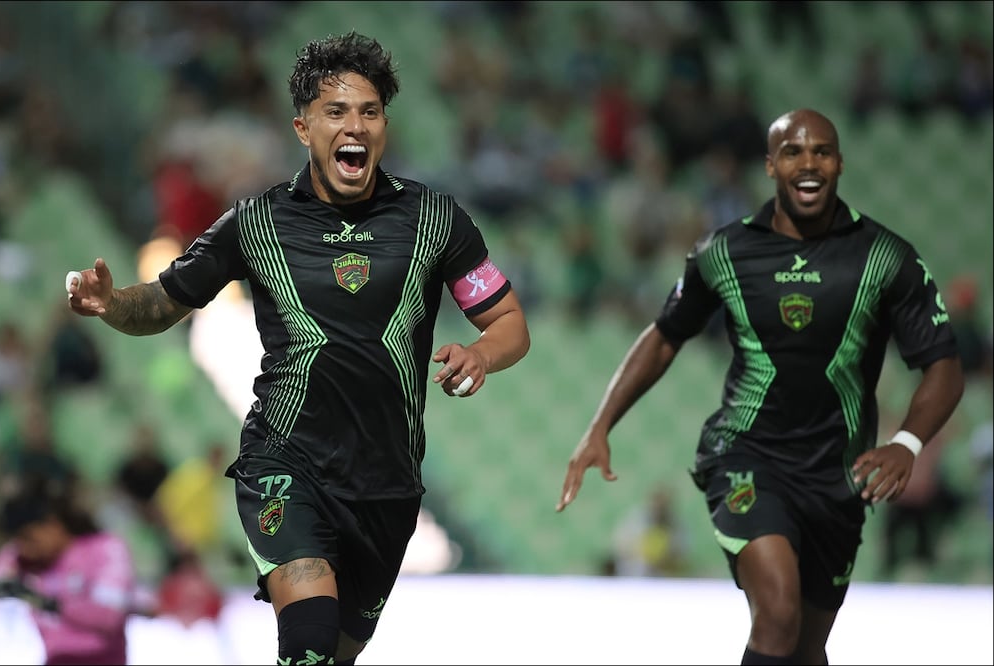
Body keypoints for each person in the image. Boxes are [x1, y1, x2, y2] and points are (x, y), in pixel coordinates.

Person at [65, 31, 530, 665]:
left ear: (385, 125)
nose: (355, 127)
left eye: (369, 111)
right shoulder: (255, 222)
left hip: (388, 487)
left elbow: (507, 321)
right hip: (285, 465)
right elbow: (161, 305)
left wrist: (482, 353)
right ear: (303, 127)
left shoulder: (436, 219)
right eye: (336, 112)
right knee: (308, 641)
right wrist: (111, 303)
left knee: (331, 657)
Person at [556, 108, 964, 665]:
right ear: (771, 164)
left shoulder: (886, 257)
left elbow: (943, 364)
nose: (808, 162)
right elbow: (664, 336)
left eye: (821, 150)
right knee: (776, 613)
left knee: (806, 646)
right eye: (793, 151)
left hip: (837, 475)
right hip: (746, 456)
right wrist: (600, 424)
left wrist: (907, 442)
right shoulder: (722, 252)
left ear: (840, 162)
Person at [0, 477, 136, 665]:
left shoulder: (105, 549)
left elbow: (109, 617)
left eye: (28, 537)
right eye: (17, 539)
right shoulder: (20, 558)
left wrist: (40, 600)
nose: (23, 547)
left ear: (53, 524)